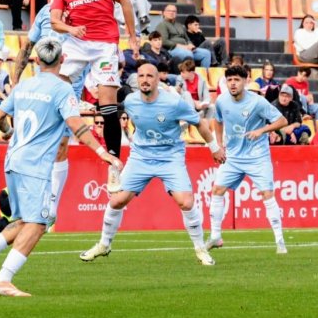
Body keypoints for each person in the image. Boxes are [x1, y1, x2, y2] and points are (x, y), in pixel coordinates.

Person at [0, 39, 121, 297]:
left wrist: (10, 133)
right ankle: (3, 278)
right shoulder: (62, 89)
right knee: (40, 223)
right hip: (34, 165)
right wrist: (103, 152)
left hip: (12, 160)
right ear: (63, 60)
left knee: (25, 221)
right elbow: (77, 126)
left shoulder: (25, 85)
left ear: (37, 60)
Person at [80, 62, 225, 263]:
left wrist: (214, 148)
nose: (145, 80)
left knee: (186, 202)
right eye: (141, 76)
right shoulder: (130, 101)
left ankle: (201, 249)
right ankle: (104, 245)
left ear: (157, 80)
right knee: (117, 201)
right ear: (137, 80)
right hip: (140, 157)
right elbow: (111, 114)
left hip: (170, 157)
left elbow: (199, 122)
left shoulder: (174, 103)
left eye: (149, 76)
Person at [48, 0, 139, 189]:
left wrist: (132, 37)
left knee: (107, 104)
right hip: (75, 43)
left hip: (104, 44)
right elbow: (55, 20)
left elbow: (124, 0)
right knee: (52, 88)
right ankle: (45, 143)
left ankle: (114, 167)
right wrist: (70, 28)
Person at [208, 65, 290, 254]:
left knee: (267, 194)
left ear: (245, 81)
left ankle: (280, 241)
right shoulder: (221, 101)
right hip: (234, 156)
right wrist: (219, 145)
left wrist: (261, 130)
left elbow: (282, 121)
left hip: (257, 156)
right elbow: (218, 121)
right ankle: (215, 236)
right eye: (229, 80)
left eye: (237, 79)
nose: (233, 83)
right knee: (217, 190)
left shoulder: (258, 102)